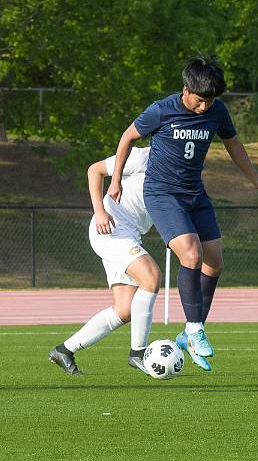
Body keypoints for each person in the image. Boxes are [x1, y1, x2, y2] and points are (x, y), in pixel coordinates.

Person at [107, 55, 258, 371]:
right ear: (185, 90)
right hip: (162, 194)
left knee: (215, 261)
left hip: (195, 195)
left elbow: (234, 145)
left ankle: (189, 332)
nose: (204, 108)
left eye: (209, 102)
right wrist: (116, 179)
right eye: (199, 101)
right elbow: (127, 137)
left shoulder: (217, 111)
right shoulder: (161, 109)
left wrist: (255, 180)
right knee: (191, 253)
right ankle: (197, 328)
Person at [49, 146, 159, 375]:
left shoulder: (178, 169)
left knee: (125, 309)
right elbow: (94, 170)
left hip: (131, 234)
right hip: (111, 229)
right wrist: (99, 211)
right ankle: (138, 353)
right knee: (151, 276)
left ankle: (64, 350)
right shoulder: (139, 157)